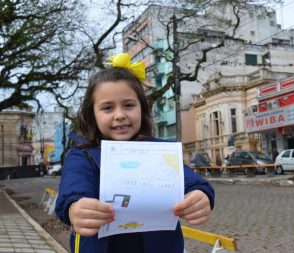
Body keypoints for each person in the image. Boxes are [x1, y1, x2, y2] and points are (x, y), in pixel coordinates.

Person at [55, 53, 214, 253]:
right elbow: (73, 187)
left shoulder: (159, 152)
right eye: (107, 108)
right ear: (92, 114)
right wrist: (75, 207)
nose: (120, 115)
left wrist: (200, 196)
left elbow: (190, 182)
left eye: (129, 105)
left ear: (142, 109)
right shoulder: (82, 155)